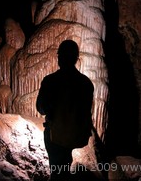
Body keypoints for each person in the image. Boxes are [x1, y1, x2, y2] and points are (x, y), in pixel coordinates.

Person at [36, 40, 94, 180]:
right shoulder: (86, 83)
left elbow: (41, 108)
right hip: (76, 135)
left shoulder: (50, 81)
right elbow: (86, 113)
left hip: (55, 136)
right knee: (65, 166)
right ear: (76, 59)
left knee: (57, 170)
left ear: (59, 57)